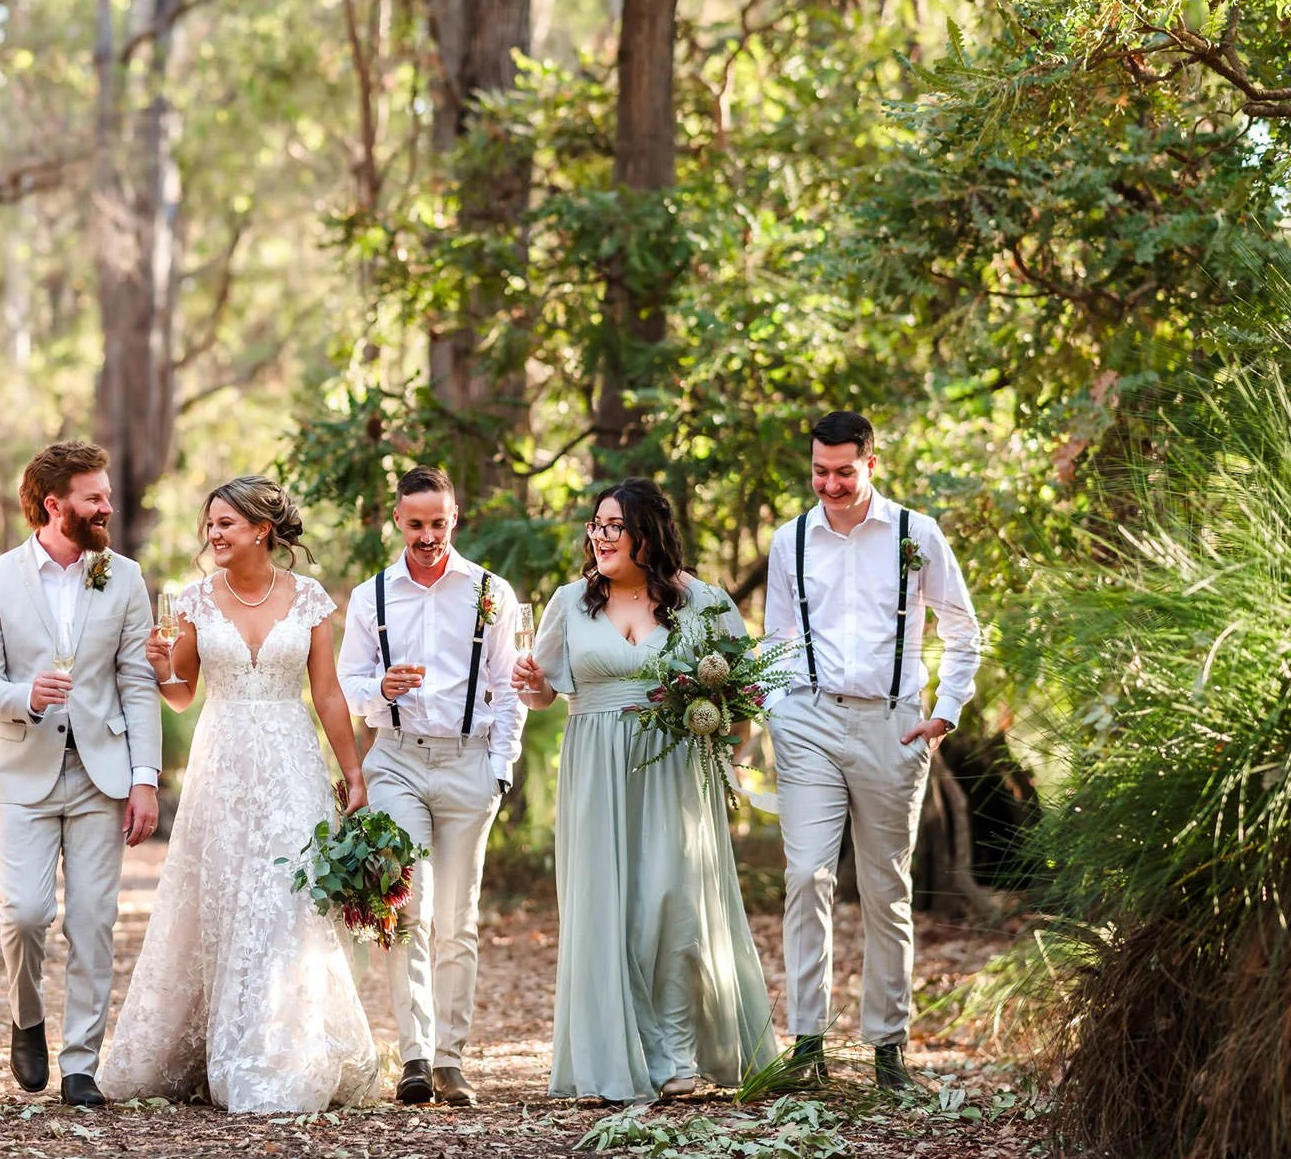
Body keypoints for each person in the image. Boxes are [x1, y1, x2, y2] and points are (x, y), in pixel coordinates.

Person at [97, 476, 378, 1114]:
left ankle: (281, 1053)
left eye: (226, 523)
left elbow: (327, 693)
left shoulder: (307, 598)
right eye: (211, 524)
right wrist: (160, 662)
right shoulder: (195, 599)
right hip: (221, 763)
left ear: (261, 530)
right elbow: (181, 692)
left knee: (286, 904)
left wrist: (353, 772)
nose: (214, 534)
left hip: (291, 765)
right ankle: (212, 1047)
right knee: (223, 901)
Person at [513, 479, 774, 1102]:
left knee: (672, 903)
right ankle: (615, 1058)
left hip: (677, 767)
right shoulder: (570, 602)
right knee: (609, 909)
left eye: (613, 526)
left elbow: (746, 689)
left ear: (647, 534)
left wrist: (724, 741)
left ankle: (678, 1053)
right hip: (596, 765)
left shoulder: (701, 601)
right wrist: (530, 682)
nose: (600, 537)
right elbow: (546, 690)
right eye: (595, 526)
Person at [761, 411, 981, 1090]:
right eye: (819, 472)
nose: (829, 484)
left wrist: (944, 713)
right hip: (810, 725)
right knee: (807, 877)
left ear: (871, 466)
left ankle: (888, 1051)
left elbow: (964, 627)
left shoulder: (918, 535)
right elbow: (775, 640)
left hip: (895, 727)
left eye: (843, 472)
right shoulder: (789, 540)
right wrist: (776, 711)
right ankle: (806, 1049)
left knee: (886, 890)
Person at [0, 441, 161, 1108]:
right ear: (55, 505)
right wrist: (25, 696)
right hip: (23, 768)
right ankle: (26, 1017)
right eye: (93, 497)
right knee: (24, 915)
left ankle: (81, 1062)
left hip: (102, 774)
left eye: (105, 494)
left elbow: (137, 684)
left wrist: (145, 778)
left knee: (93, 921)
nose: (108, 505)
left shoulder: (126, 577)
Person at [334, 466, 523, 1106]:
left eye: (438, 523)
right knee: (409, 907)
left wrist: (500, 770)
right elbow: (346, 681)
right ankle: (414, 1057)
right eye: (415, 524)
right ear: (398, 521)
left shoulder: (490, 592)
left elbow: (508, 690)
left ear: (455, 517)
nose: (428, 536)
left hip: (470, 765)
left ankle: (452, 1059)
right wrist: (377, 692)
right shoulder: (372, 597)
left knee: (458, 918)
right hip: (398, 761)